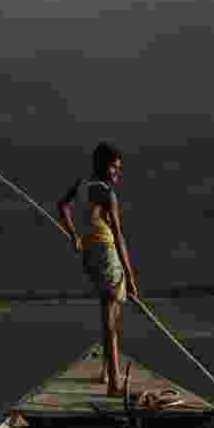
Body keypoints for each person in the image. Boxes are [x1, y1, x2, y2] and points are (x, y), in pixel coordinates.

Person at [56, 142, 139, 397]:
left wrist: (75, 236)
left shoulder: (81, 185)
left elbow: (62, 206)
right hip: (106, 253)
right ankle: (114, 384)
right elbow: (118, 236)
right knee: (111, 319)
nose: (118, 173)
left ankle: (106, 372)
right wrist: (131, 276)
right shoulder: (107, 194)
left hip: (90, 256)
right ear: (103, 166)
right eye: (114, 168)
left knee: (109, 314)